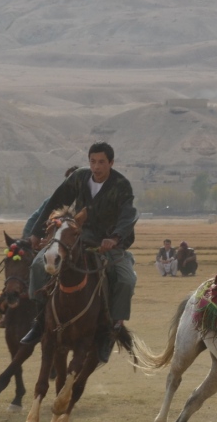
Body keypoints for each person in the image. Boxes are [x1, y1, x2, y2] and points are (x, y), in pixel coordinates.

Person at [21, 143, 138, 363]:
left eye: (101, 162)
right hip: (76, 238)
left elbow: (128, 215)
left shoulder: (121, 185)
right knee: (38, 265)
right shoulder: (79, 178)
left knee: (126, 280)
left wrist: (114, 238)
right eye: (92, 161)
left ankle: (111, 331)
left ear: (111, 163)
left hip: (108, 243)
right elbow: (55, 202)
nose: (96, 167)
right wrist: (36, 233)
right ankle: (40, 321)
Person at [0, 166, 82, 329]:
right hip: (50, 245)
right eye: (69, 181)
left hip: (78, 248)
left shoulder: (88, 203)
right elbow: (35, 220)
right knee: (26, 264)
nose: (73, 185)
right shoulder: (53, 201)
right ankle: (22, 309)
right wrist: (32, 238)